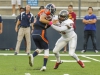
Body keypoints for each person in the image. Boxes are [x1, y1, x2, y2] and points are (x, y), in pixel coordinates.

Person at [28, 3, 56, 71]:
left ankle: (32, 55)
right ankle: (44, 66)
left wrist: (51, 22)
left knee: (40, 48)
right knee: (46, 48)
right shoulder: (46, 11)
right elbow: (41, 19)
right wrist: (51, 22)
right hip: (41, 32)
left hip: (34, 33)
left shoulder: (41, 13)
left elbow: (39, 22)